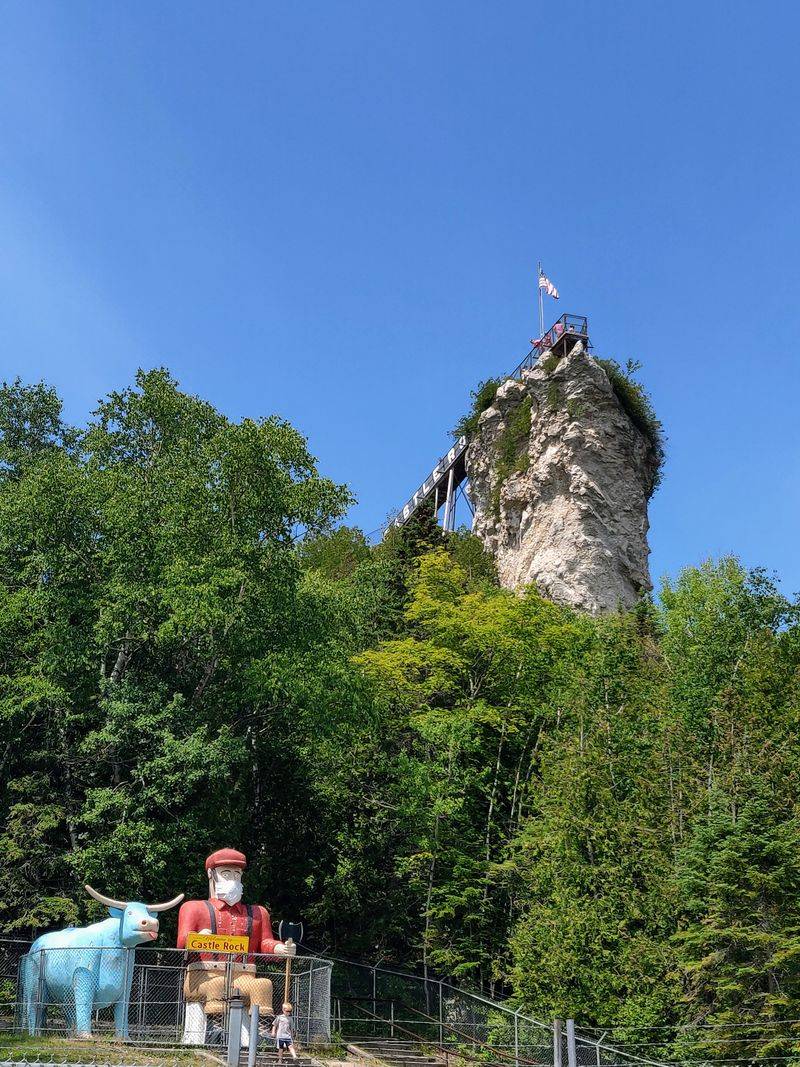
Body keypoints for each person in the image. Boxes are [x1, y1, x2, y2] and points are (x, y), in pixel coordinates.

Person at [176, 848, 296, 1046]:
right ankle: (216, 1026)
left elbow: (263, 943)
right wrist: (195, 938)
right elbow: (181, 942)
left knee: (263, 984)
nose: (233, 879)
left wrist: (278, 948)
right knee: (217, 985)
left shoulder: (258, 913)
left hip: (244, 975)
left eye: (237, 874)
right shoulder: (193, 908)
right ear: (210, 874)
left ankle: (261, 1028)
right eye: (226, 873)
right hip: (203, 976)